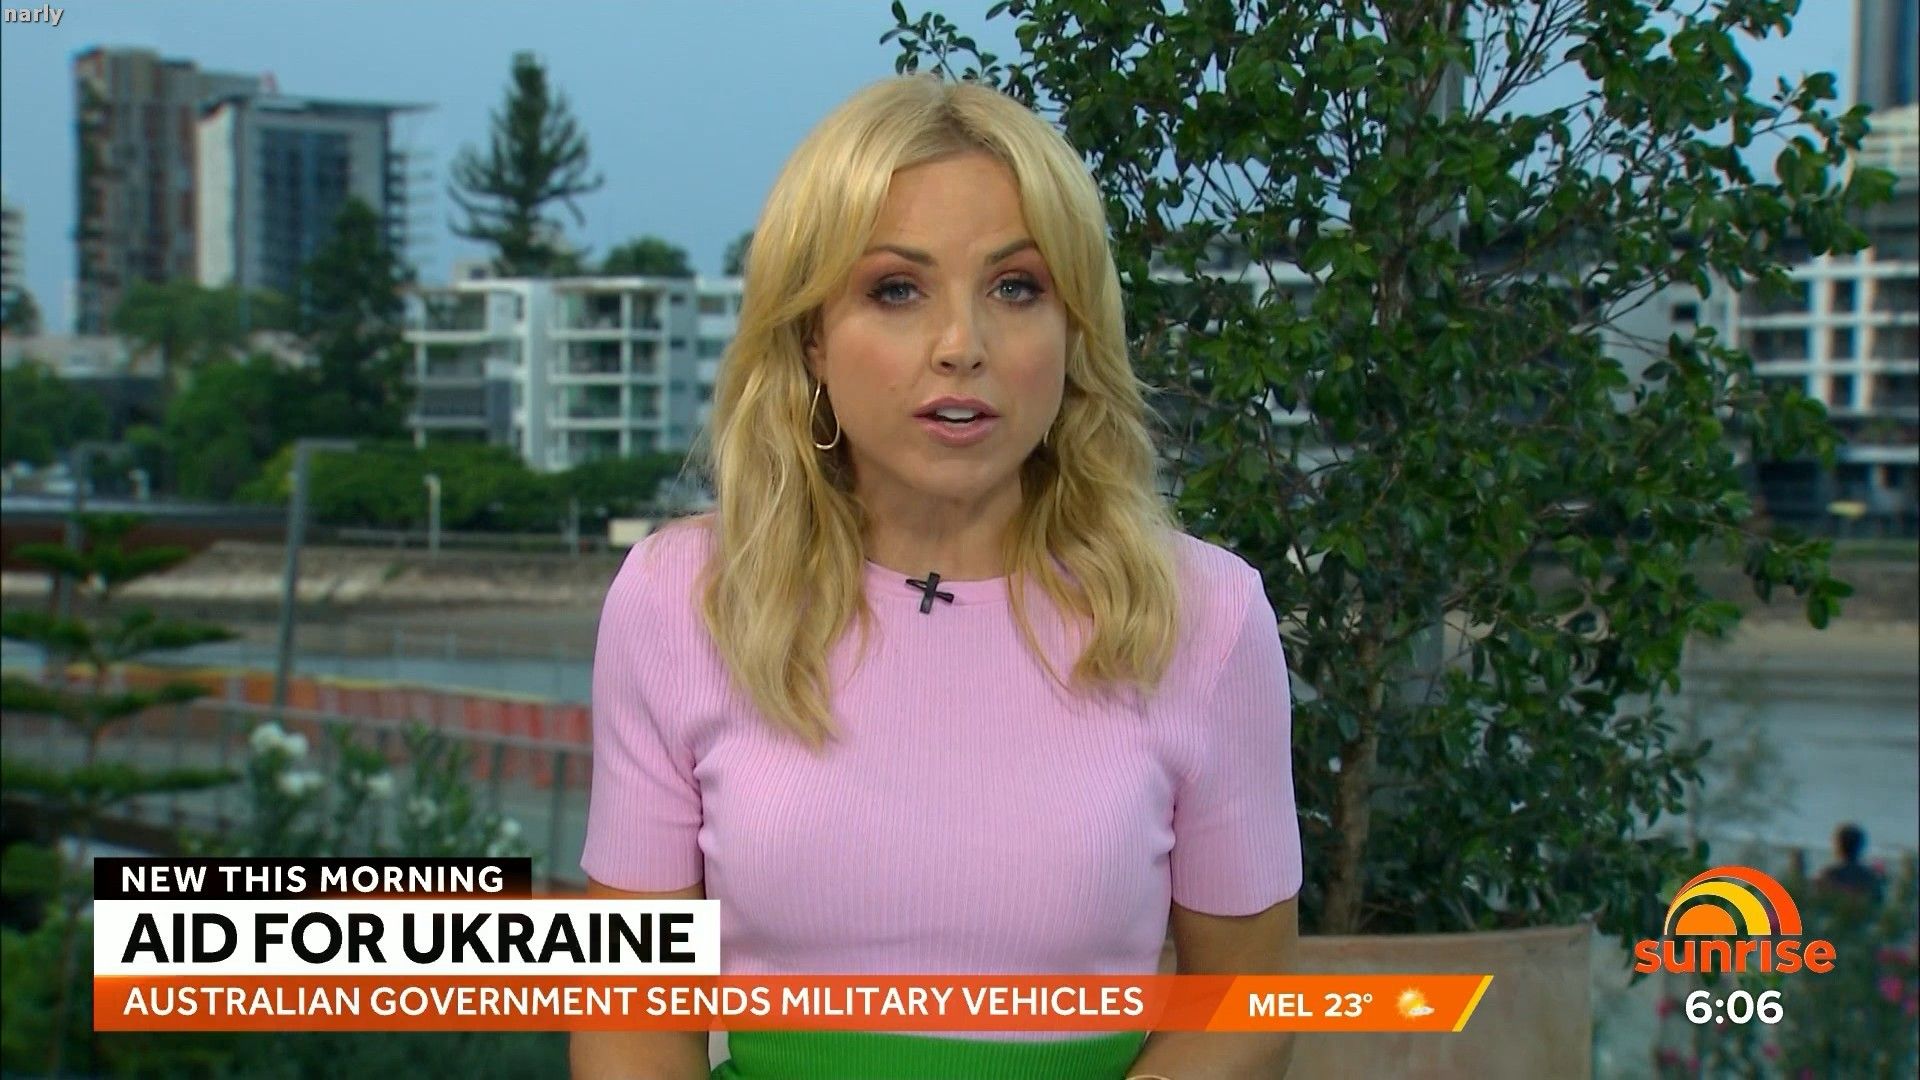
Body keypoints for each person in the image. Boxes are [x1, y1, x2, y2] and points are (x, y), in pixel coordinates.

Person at [572, 74, 1301, 1080]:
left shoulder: (1206, 616)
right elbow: (630, 1018)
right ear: (811, 335)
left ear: (1074, 330)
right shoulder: (678, 600)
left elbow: (1244, 1009)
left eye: (1017, 288)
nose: (962, 346)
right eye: (896, 290)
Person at [1815, 823, 1885, 906]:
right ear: (1860, 846)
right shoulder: (1871, 878)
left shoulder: (1827, 876)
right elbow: (1878, 904)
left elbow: (1817, 903)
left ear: (1838, 846)